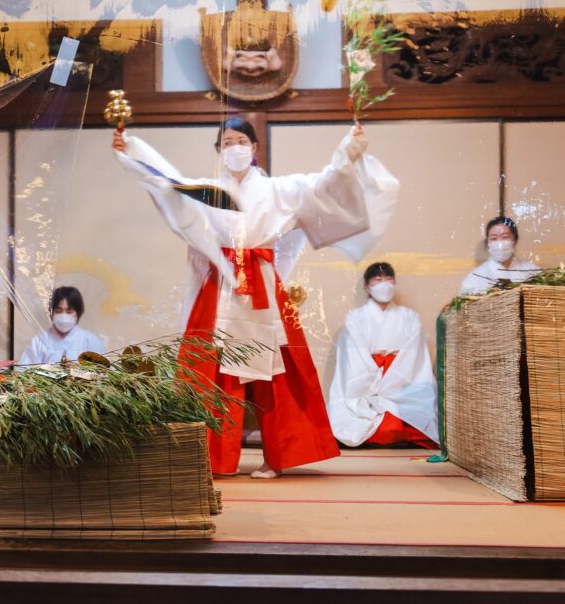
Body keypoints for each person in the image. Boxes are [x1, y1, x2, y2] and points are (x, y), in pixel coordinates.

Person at [113, 119, 398, 478]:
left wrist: (348, 148)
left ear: (254, 147)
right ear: (219, 151)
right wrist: (131, 155)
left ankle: (275, 458)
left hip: (263, 283)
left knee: (278, 374)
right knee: (210, 372)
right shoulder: (209, 190)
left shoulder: (280, 189)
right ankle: (210, 457)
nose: (235, 147)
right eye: (227, 141)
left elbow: (325, 184)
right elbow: (166, 184)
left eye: (241, 140)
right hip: (221, 284)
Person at [327, 262, 438, 449]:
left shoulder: (409, 317)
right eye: (378, 280)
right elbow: (354, 360)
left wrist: (391, 377)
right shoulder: (355, 318)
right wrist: (376, 376)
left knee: (416, 410)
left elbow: (414, 357)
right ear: (367, 286)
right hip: (368, 375)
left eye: (389, 279)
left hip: (401, 375)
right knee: (353, 415)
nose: (384, 284)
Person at [19, 286, 105, 364]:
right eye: (58, 311)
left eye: (69, 311)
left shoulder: (90, 341)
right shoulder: (39, 341)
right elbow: (25, 369)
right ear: (51, 313)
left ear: (78, 313)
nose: (64, 316)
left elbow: (101, 372)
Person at [459, 216, 540, 295]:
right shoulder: (475, 278)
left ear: (515, 240)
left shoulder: (532, 272)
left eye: (505, 237)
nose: (499, 243)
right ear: (488, 243)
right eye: (493, 238)